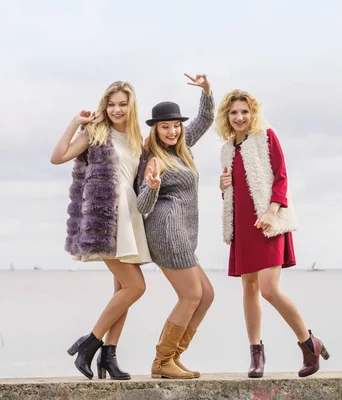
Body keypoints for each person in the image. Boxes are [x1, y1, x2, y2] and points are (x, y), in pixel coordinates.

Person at [216, 89, 330, 378]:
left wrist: (270, 212)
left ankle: (308, 343)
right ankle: (256, 355)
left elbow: (281, 176)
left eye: (244, 111)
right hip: (242, 226)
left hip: (269, 222)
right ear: (226, 117)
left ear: (253, 113)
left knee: (269, 289)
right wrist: (223, 186)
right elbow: (233, 194)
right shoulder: (227, 149)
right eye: (233, 112)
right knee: (249, 288)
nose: (239, 117)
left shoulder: (266, 136)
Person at [50, 81, 151, 380]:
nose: (117, 109)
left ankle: (109, 355)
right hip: (105, 218)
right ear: (104, 106)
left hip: (130, 215)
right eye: (112, 104)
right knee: (136, 287)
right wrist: (75, 123)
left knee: (122, 290)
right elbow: (57, 157)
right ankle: (89, 343)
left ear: (131, 106)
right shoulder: (95, 132)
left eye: (122, 104)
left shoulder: (136, 137)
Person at [137, 74, 215, 379]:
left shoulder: (182, 147)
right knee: (191, 296)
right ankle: (161, 361)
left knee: (206, 295)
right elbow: (142, 206)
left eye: (176, 125)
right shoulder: (151, 158)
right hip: (166, 232)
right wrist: (153, 185)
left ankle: (173, 357)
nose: (172, 130)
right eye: (165, 126)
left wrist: (207, 91)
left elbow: (205, 119)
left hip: (184, 232)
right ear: (155, 130)